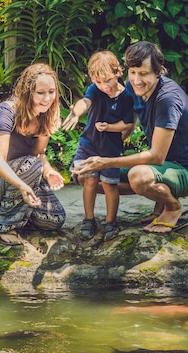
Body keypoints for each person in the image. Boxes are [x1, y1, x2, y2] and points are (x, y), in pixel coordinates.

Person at [72, 41, 188, 234]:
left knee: (138, 176)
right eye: (132, 72)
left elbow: (157, 156)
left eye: (143, 74)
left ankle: (173, 207)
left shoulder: (167, 98)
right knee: (84, 174)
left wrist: (106, 162)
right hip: (159, 167)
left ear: (158, 71)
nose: (136, 80)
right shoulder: (133, 88)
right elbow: (130, 123)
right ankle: (159, 200)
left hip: (185, 171)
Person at [0, 63, 66, 246]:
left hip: (18, 177)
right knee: (32, 165)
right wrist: (22, 186)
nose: (47, 98)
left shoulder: (45, 116)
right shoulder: (5, 112)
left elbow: (39, 154)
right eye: (40, 92)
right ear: (27, 92)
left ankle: (1, 210)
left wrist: (48, 171)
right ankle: (1, 226)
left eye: (51, 91)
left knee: (55, 219)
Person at [61, 50, 135, 241]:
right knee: (89, 181)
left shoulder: (127, 96)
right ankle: (89, 219)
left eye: (107, 81)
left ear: (118, 73)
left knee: (110, 185)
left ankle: (111, 221)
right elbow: (85, 102)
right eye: (98, 82)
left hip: (111, 149)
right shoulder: (95, 90)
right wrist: (76, 113)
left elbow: (127, 124)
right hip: (89, 144)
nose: (104, 86)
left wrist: (109, 127)